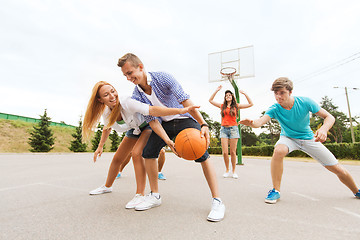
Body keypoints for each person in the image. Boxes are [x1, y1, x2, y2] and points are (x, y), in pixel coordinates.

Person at [118, 53, 225, 222]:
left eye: (130, 73)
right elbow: (153, 121)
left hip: (184, 119)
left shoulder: (163, 78)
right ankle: (155, 195)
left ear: (140, 66)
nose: (129, 78)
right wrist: (167, 141)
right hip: (163, 124)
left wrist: (203, 124)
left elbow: (186, 102)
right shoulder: (137, 94)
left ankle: (217, 201)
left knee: (202, 154)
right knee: (148, 153)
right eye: (125, 75)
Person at [239, 77, 360, 204]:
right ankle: (275, 190)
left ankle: (356, 190)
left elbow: (329, 117)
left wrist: (324, 129)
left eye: (282, 93)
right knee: (279, 150)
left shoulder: (305, 102)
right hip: (288, 138)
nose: (278, 97)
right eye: (276, 93)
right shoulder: (275, 108)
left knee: (337, 169)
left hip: (308, 139)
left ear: (290, 92)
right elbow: (259, 122)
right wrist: (251, 123)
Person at [83, 81, 198, 209]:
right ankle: (107, 187)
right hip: (135, 129)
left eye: (112, 91)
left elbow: (152, 110)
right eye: (106, 95)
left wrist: (179, 110)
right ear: (100, 100)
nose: (112, 96)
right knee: (117, 158)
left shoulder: (126, 101)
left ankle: (140, 195)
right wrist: (100, 146)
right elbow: (107, 128)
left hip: (149, 124)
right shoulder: (106, 111)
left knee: (137, 153)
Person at [209, 85, 253, 178]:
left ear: (232, 96)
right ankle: (227, 170)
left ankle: (233, 171)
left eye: (229, 95)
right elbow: (211, 100)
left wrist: (245, 93)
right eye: (226, 95)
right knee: (225, 152)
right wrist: (216, 90)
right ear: (225, 98)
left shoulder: (236, 106)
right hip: (224, 129)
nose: (228, 96)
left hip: (233, 129)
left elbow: (250, 104)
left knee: (233, 152)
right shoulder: (222, 106)